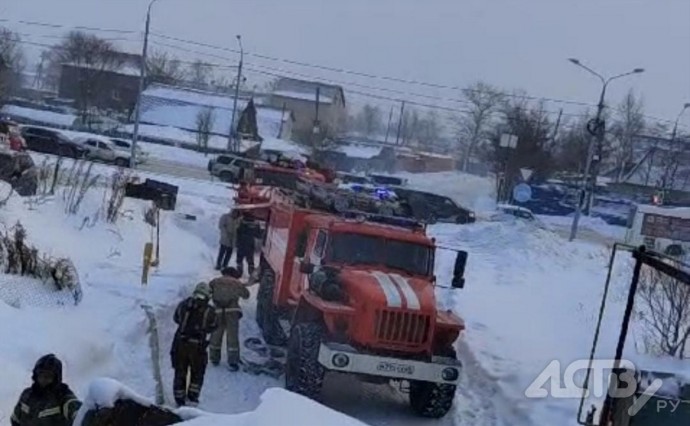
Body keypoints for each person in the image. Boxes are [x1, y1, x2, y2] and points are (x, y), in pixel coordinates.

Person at [171, 282, 218, 407]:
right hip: (198, 347)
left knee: (180, 371)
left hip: (180, 344)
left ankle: (179, 399)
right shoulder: (210, 311)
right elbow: (213, 326)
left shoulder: (183, 305)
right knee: (197, 373)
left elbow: (176, 318)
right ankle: (192, 398)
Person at [11, 354, 82, 426]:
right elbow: (15, 420)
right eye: (40, 375)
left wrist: (89, 416)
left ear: (56, 378)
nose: (43, 379)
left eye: (48, 376)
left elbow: (79, 413)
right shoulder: (27, 395)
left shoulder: (63, 397)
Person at [209, 267, 250, 371]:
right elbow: (246, 295)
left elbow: (208, 293)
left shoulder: (214, 282)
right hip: (232, 312)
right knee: (232, 337)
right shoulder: (237, 283)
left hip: (217, 311)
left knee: (216, 335)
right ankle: (233, 361)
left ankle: (214, 358)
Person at [235, 213, 260, 278]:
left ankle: (239, 272)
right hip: (250, 244)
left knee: (239, 260)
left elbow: (237, 232)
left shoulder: (242, 224)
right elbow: (258, 235)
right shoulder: (255, 225)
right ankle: (251, 273)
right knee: (250, 260)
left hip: (241, 244)